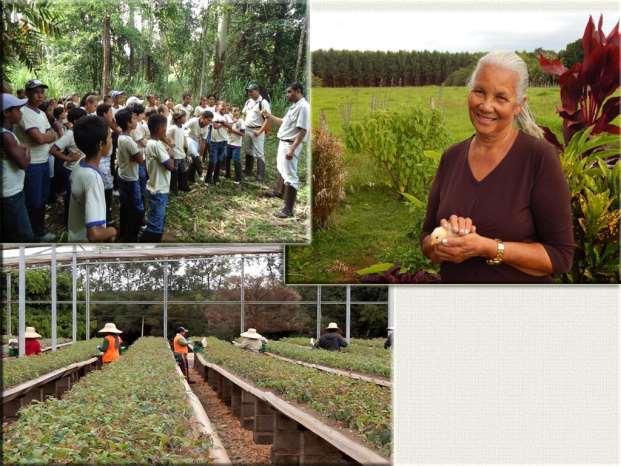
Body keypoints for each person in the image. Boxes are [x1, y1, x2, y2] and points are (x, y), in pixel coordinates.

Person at [420, 51, 575, 283]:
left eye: (501, 98)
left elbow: (560, 257)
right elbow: (426, 238)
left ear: (519, 105)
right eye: (479, 91)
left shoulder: (539, 158)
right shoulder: (451, 157)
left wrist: (487, 248)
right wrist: (440, 243)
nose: (486, 105)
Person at [14, 80, 58, 241]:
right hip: (32, 164)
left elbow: (51, 132)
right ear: (27, 94)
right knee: (34, 200)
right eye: (36, 92)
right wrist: (48, 136)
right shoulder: (24, 112)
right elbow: (39, 138)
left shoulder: (41, 113)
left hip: (44, 161)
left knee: (42, 197)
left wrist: (47, 136)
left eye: (42, 92)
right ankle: (35, 234)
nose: (40, 95)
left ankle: (38, 228)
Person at [261, 82, 309, 218]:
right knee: (282, 169)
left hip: (290, 144)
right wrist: (269, 116)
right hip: (284, 142)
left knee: (290, 175)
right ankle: (280, 192)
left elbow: (303, 130)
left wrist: (292, 149)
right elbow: (283, 122)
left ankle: (288, 210)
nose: (287, 95)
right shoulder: (294, 106)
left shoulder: (304, 107)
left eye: (289, 92)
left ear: (298, 91)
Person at [68, 115, 117, 242]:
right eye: (110, 137)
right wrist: (112, 231)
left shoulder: (79, 163)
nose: (111, 141)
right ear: (101, 144)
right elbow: (94, 234)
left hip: (74, 237)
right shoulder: (92, 178)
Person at [1, 93, 34, 241]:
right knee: (25, 235)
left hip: (11, 190)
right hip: (11, 194)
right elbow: (24, 164)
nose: (20, 112)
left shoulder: (8, 134)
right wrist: (26, 149)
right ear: (6, 113)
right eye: (17, 109)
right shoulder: (6, 136)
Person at [49, 107, 87, 227]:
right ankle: (68, 222)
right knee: (71, 197)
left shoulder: (83, 131)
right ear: (75, 121)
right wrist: (69, 158)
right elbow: (53, 150)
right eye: (83, 118)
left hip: (81, 169)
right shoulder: (70, 134)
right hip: (71, 170)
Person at [141, 113, 175, 242]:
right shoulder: (157, 145)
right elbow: (171, 166)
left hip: (154, 186)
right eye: (165, 128)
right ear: (160, 129)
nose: (166, 131)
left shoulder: (150, 143)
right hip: (159, 189)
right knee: (155, 226)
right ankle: (148, 248)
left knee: (154, 218)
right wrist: (171, 148)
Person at [115, 108, 145, 241]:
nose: (136, 120)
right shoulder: (129, 141)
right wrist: (139, 154)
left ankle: (124, 232)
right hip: (131, 178)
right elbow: (140, 159)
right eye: (133, 119)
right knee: (138, 208)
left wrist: (135, 156)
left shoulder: (122, 136)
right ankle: (132, 235)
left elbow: (134, 157)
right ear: (128, 123)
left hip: (123, 174)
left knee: (126, 206)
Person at [241, 83, 271, 181]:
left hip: (257, 129)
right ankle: (248, 170)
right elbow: (244, 114)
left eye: (251, 91)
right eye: (248, 91)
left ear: (257, 91)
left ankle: (260, 174)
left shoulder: (263, 102)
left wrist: (260, 131)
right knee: (248, 150)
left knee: (259, 152)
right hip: (247, 128)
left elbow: (267, 119)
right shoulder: (248, 102)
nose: (249, 93)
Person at [96, 103, 116, 222]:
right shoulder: (102, 126)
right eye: (110, 113)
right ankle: (105, 218)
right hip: (102, 164)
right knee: (105, 192)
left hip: (103, 163)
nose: (112, 116)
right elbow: (104, 150)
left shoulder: (104, 125)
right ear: (104, 114)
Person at [184, 110, 213, 184]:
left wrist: (201, 154)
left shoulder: (207, 127)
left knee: (195, 159)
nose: (209, 122)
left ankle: (191, 178)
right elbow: (183, 128)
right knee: (194, 154)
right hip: (187, 139)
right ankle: (201, 173)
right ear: (203, 117)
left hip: (196, 142)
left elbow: (203, 141)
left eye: (210, 120)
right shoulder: (193, 121)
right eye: (208, 120)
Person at [205, 101, 228, 185]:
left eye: (225, 107)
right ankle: (208, 179)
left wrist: (223, 123)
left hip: (224, 140)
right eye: (222, 106)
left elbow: (230, 126)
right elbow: (215, 126)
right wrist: (223, 123)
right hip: (214, 141)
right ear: (217, 107)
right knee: (213, 161)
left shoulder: (227, 116)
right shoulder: (214, 115)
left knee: (219, 160)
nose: (224, 108)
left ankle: (216, 178)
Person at [166, 110, 189, 194]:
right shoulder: (172, 128)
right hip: (175, 153)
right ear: (178, 119)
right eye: (184, 117)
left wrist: (186, 147)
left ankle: (183, 186)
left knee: (183, 171)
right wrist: (171, 150)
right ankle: (174, 189)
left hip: (181, 153)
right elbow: (167, 138)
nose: (185, 118)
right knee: (175, 172)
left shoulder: (182, 127)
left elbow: (183, 138)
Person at [226, 106, 245, 185]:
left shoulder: (241, 121)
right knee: (227, 159)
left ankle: (238, 178)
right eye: (234, 110)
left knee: (236, 160)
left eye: (237, 110)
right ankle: (228, 174)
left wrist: (232, 130)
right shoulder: (230, 121)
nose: (236, 112)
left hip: (236, 145)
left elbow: (242, 134)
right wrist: (229, 129)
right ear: (231, 112)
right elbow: (227, 130)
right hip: (229, 143)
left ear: (239, 112)